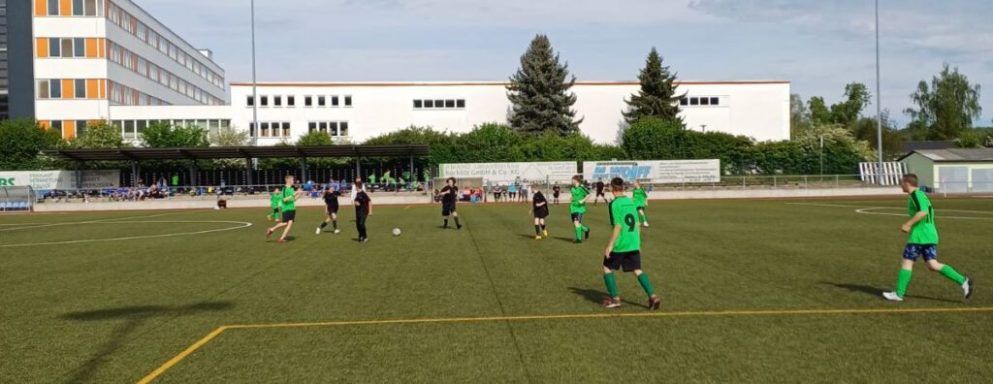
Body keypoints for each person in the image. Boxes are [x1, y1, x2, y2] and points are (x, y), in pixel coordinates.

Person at [883, 174, 974, 302]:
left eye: (901, 183)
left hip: (920, 236)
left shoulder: (916, 195)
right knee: (932, 265)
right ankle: (963, 281)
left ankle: (898, 294)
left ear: (907, 183)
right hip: (930, 235)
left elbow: (923, 211)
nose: (900, 185)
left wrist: (908, 224)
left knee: (907, 262)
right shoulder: (921, 194)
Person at [601, 177, 661, 310]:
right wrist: (638, 243)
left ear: (612, 188)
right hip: (633, 242)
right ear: (623, 188)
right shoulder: (631, 201)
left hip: (621, 243)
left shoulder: (614, 204)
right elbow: (638, 223)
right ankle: (653, 296)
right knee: (637, 270)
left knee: (607, 267)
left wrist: (610, 245)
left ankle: (615, 298)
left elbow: (618, 226)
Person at [266, 175, 300, 243]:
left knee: (288, 224)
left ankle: (278, 235)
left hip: (292, 208)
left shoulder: (292, 189)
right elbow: (284, 200)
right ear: (288, 180)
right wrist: (294, 194)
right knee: (286, 223)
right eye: (293, 180)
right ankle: (274, 231)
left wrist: (299, 194)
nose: (294, 181)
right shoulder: (284, 189)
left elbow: (293, 200)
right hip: (286, 209)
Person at [570, 175, 591, 243]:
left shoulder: (581, 188)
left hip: (580, 208)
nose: (571, 181)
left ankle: (579, 239)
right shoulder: (572, 188)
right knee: (576, 223)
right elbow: (573, 196)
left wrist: (583, 200)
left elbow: (589, 195)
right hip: (573, 208)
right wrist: (572, 198)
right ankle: (586, 230)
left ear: (576, 180)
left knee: (576, 223)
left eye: (572, 180)